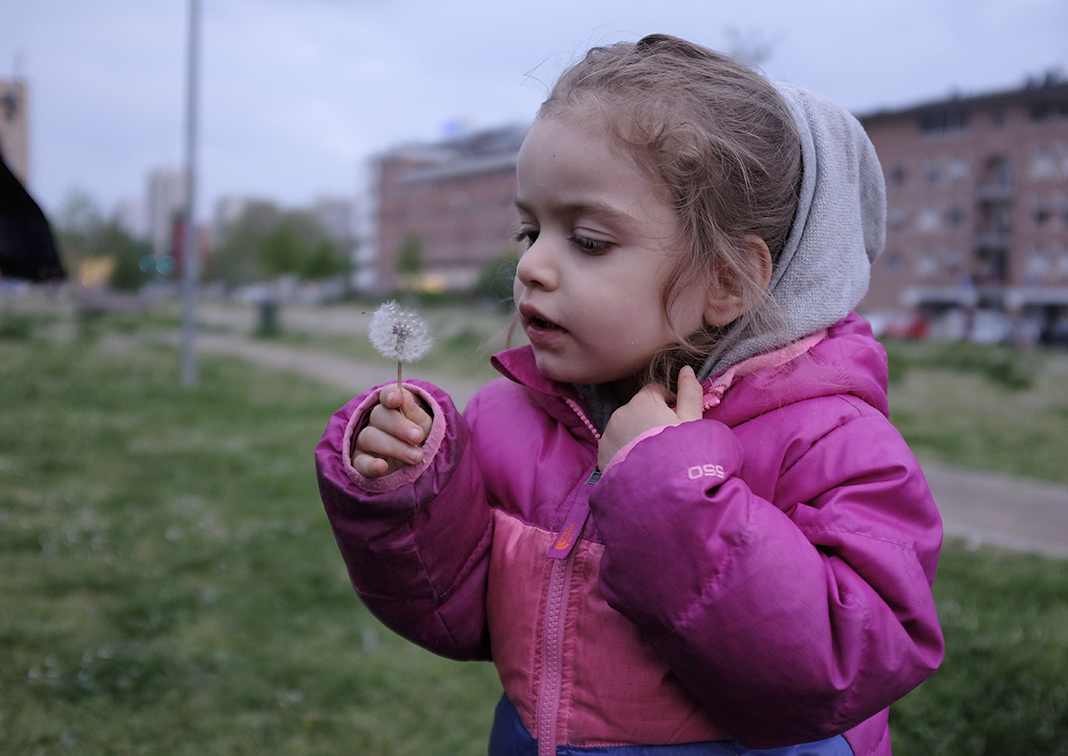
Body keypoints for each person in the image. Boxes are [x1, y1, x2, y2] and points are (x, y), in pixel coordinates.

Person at [316, 34, 943, 756]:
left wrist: (671, 493)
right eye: (530, 229)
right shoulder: (509, 416)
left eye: (587, 240)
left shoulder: (829, 441)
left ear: (728, 280)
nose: (532, 267)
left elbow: (845, 665)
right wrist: (409, 491)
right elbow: (458, 614)